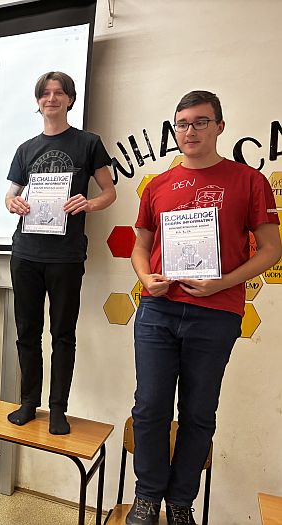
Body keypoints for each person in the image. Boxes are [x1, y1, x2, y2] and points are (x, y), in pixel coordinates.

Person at [127, 91, 281, 525]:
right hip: (158, 310)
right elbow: (141, 247)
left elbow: (272, 249)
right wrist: (145, 278)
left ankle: (180, 501)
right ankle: (147, 496)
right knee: (149, 408)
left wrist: (223, 283)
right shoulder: (158, 185)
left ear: (219, 126)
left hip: (217, 313)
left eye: (200, 122)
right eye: (182, 123)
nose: (189, 131)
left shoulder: (249, 181)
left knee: (197, 413)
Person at [5, 71, 116, 434]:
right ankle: (28, 402)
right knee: (27, 332)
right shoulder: (26, 149)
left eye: (59, 93)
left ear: (70, 99)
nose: (51, 98)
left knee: (63, 334)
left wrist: (89, 203)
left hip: (66, 255)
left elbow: (109, 192)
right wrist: (12, 203)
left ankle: (58, 409)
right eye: (45, 93)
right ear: (38, 101)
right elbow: (10, 195)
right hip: (26, 252)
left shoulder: (88, 143)